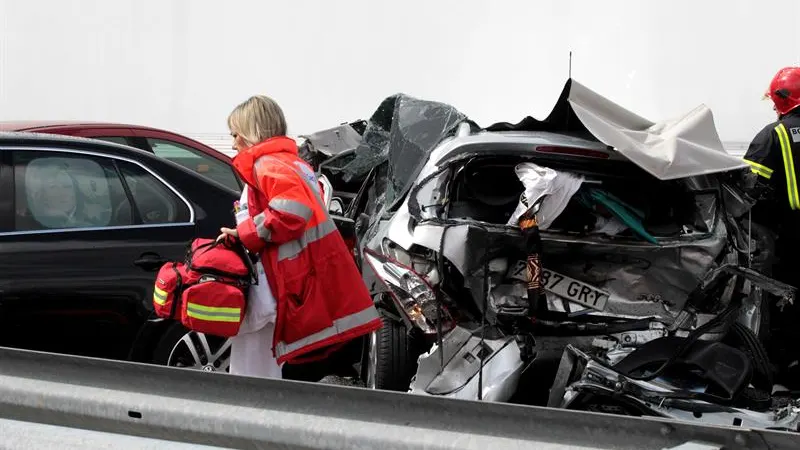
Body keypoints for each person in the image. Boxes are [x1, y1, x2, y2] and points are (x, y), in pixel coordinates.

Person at [218, 95, 382, 376]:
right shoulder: (295, 166)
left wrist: (245, 233)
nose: (233, 144)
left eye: (235, 134)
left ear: (252, 131)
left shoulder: (265, 166)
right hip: (292, 284)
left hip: (274, 286)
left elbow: (291, 212)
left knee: (254, 374)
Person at [741, 66, 800, 387]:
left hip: (788, 238)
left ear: (781, 98)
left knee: (782, 304)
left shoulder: (774, 135)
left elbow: (746, 188)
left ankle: (782, 375)